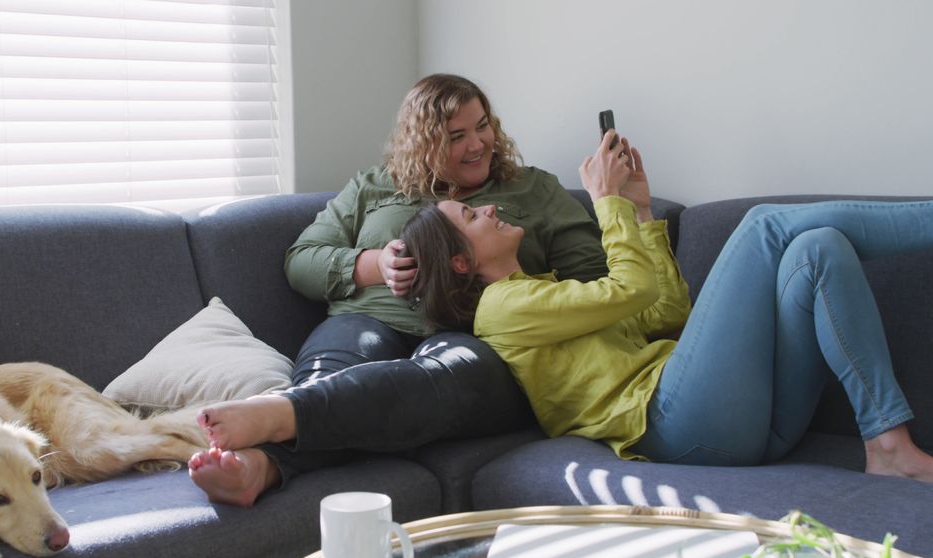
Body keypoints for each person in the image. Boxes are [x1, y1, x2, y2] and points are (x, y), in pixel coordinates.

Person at [398, 128, 933, 481]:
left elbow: (664, 315)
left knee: (819, 249)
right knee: (763, 225)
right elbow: (633, 289)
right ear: (462, 263)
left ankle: (887, 445)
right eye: (471, 218)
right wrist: (605, 203)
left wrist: (643, 212)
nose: (488, 208)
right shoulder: (501, 308)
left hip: (750, 427)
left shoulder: (542, 288)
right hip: (680, 428)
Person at [187, 73, 612, 506]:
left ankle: (281, 426)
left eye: (482, 125)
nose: (478, 144)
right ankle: (261, 463)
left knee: (447, 377)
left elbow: (595, 276)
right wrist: (373, 265)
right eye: (456, 136)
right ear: (421, 142)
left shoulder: (534, 188)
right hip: (366, 320)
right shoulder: (375, 186)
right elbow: (301, 261)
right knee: (336, 371)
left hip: (481, 339)